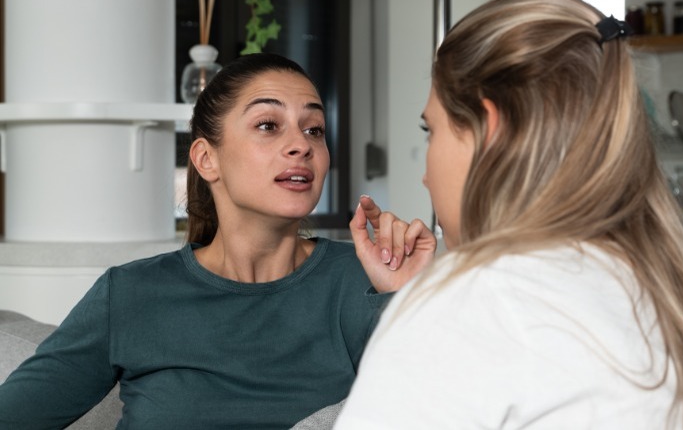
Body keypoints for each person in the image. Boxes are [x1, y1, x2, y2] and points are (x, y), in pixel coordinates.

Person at [335, 0, 683, 428]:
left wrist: (425, 307)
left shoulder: (474, 305)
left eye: (429, 130)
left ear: (490, 132)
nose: (426, 176)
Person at [0, 53, 402, 429]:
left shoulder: (366, 280)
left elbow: (436, 405)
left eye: (314, 129)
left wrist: (401, 295)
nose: (302, 145)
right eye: (268, 125)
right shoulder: (130, 294)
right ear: (207, 159)